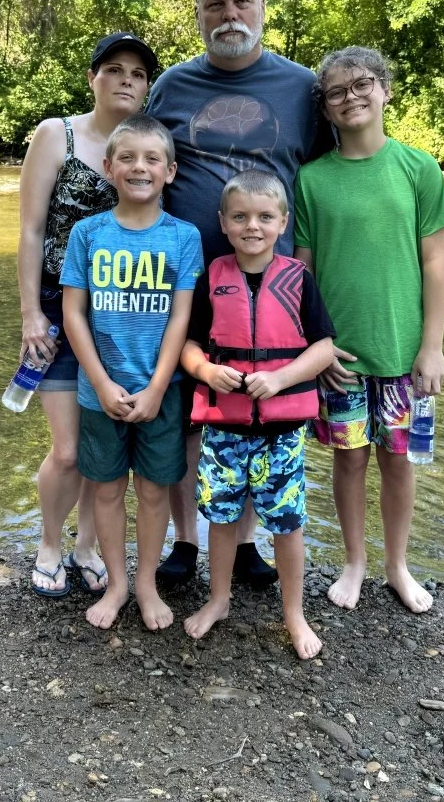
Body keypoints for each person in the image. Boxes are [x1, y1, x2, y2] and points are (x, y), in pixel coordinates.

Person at [145, 0, 333, 590]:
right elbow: (144, 162)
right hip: (185, 280)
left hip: (270, 285)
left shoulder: (301, 88)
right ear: (200, 14)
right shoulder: (172, 86)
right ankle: (185, 540)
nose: (230, 14)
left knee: (257, 409)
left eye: (241, 1)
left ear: (261, 8)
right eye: (215, 4)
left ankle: (247, 542)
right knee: (186, 411)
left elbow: (324, 180)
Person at [294, 46, 444, 612]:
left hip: (404, 354)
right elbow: (303, 275)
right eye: (336, 92)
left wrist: (432, 347)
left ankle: (397, 565)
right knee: (348, 459)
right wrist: (315, 348)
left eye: (362, 84)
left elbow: (435, 264)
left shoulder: (419, 169)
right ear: (326, 109)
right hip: (340, 356)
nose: (351, 98)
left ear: (385, 89)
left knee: (399, 460)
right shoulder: (311, 180)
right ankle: (354, 563)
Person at [17, 32, 159, 598]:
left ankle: (86, 547)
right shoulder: (58, 135)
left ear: (147, 88)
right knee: (69, 448)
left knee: (105, 447)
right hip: (57, 308)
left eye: (138, 74)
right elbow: (31, 230)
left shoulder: (147, 147)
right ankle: (50, 544)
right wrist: (30, 312)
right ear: (93, 78)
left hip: (122, 315)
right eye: (114, 69)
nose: (126, 80)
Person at [180, 170, 336, 659]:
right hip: (223, 431)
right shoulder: (212, 277)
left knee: (287, 523)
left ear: (282, 223)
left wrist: (281, 379)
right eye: (241, 217)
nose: (253, 226)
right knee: (221, 517)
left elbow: (324, 348)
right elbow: (189, 346)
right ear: (223, 222)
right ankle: (219, 599)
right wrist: (207, 371)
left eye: (265, 217)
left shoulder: (298, 279)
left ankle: (294, 614)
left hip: (282, 433)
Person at [60, 114, 203, 630]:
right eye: (127, 158)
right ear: (108, 167)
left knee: (154, 490)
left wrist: (159, 386)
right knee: (105, 489)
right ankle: (117, 583)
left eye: (151, 159)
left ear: (170, 171)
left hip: (161, 392)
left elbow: (181, 318)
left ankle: (146, 583)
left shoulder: (184, 237)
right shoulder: (87, 233)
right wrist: (100, 382)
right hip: (99, 392)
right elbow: (73, 313)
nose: (139, 167)